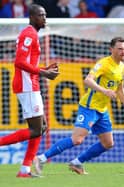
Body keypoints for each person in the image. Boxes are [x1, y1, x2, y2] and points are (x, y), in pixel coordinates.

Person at [34, 37, 124, 175]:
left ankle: (77, 163)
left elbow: (120, 89)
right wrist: (104, 90)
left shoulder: (122, 67)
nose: (123, 52)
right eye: (119, 49)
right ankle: (41, 158)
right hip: (89, 107)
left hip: (102, 110)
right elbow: (87, 80)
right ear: (111, 49)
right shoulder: (103, 64)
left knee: (108, 143)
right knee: (77, 139)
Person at [0, 4, 59, 178]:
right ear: (32, 17)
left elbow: (28, 63)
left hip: (30, 85)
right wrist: (43, 72)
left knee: (42, 127)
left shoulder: (32, 34)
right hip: (27, 86)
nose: (45, 18)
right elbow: (18, 62)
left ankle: (25, 169)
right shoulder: (29, 34)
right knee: (36, 129)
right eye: (41, 15)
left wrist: (43, 69)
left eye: (45, 15)